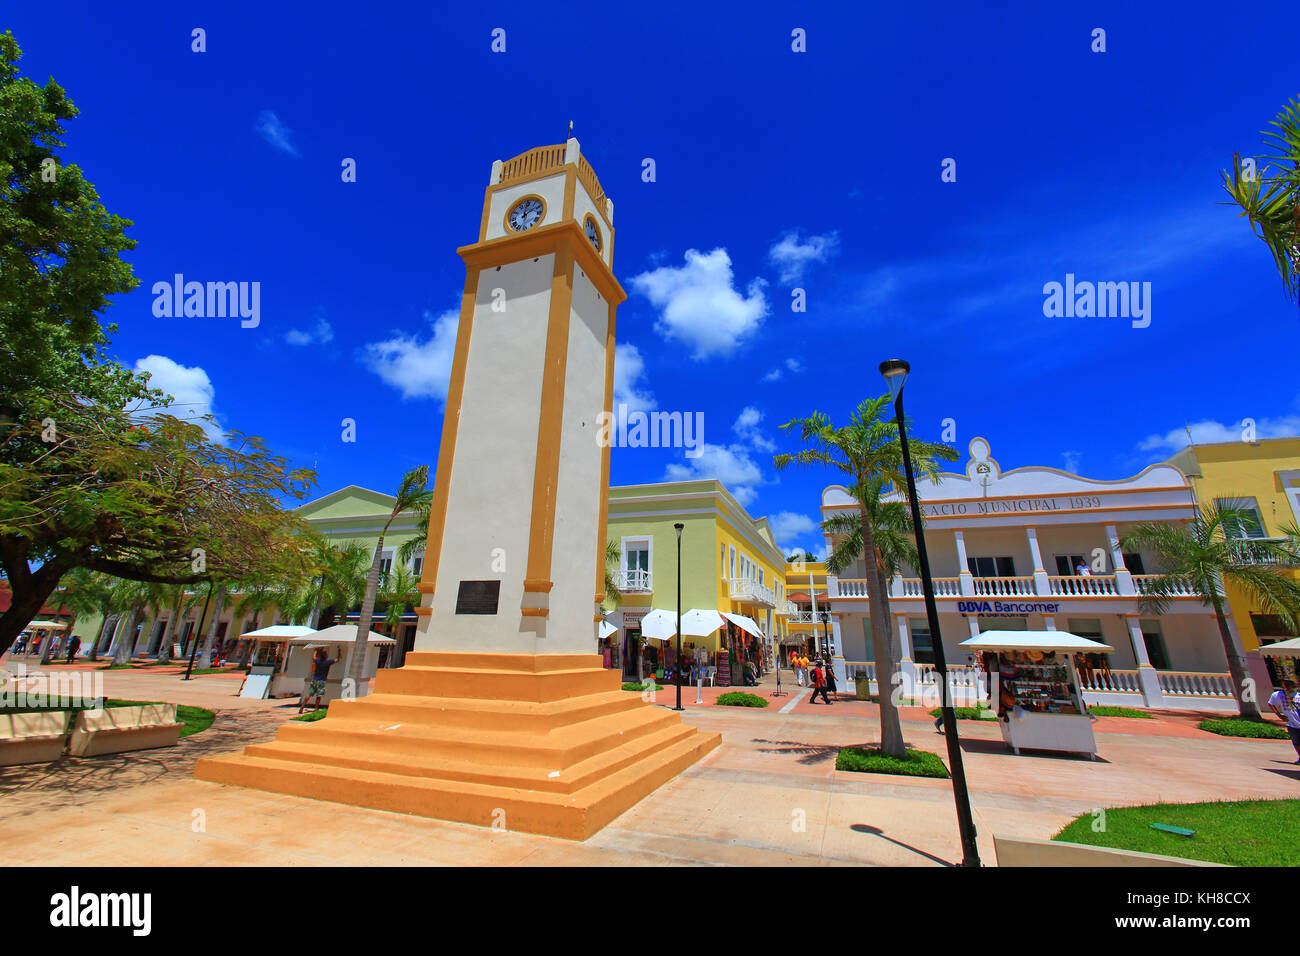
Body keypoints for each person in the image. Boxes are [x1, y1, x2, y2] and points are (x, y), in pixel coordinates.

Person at [1268, 677, 1300, 764]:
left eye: (1288, 683)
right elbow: (1271, 704)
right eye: (1283, 683)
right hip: (1292, 724)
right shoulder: (1278, 695)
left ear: (1292, 684)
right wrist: (1279, 715)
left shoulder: (1298, 695)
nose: (1285, 685)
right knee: (1296, 742)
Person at [299, 646, 338, 714]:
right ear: (326, 656)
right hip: (322, 681)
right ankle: (316, 708)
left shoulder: (318, 661)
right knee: (319, 695)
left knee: (309, 694)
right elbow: (337, 660)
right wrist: (339, 652)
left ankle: (302, 707)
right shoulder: (328, 661)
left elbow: (313, 657)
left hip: (315, 679)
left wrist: (315, 650)